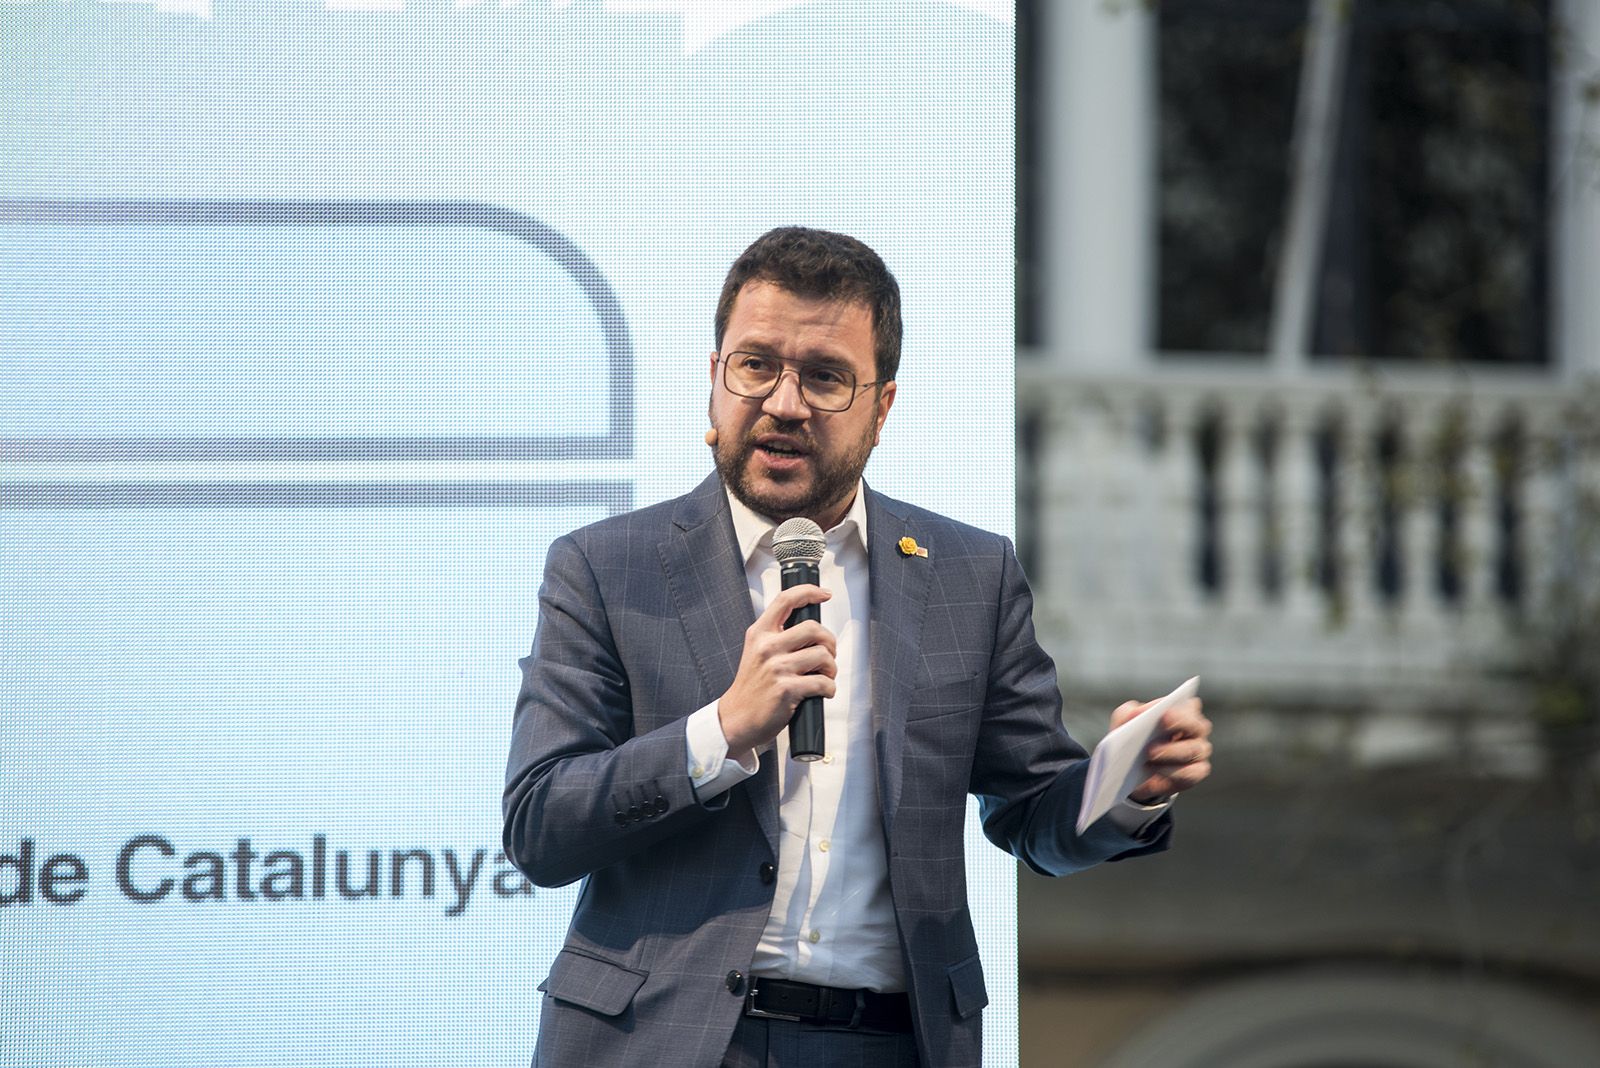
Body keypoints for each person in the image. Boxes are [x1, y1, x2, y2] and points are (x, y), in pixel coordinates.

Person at [502, 227, 1213, 1068]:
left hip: (888, 1044)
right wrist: (721, 730)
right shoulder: (606, 567)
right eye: (756, 365)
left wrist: (1124, 785)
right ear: (713, 382)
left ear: (881, 409)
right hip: (664, 1039)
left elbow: (1032, 813)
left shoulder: (969, 575)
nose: (785, 402)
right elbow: (540, 823)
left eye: (826, 377)